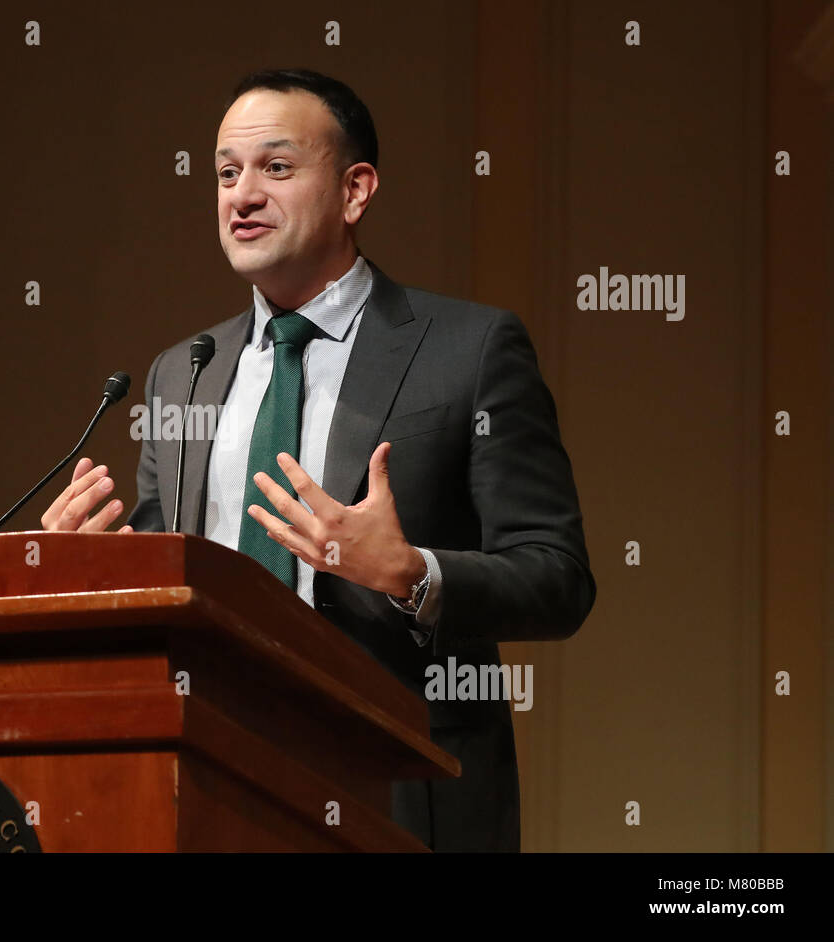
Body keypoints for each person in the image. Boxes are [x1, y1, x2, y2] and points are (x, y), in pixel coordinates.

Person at [40, 68, 596, 851]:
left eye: (275, 167)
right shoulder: (183, 371)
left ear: (355, 190)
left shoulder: (469, 351)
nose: (242, 195)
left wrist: (410, 574)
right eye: (226, 173)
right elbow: (170, 576)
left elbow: (558, 578)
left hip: (395, 782)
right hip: (212, 772)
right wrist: (95, 573)